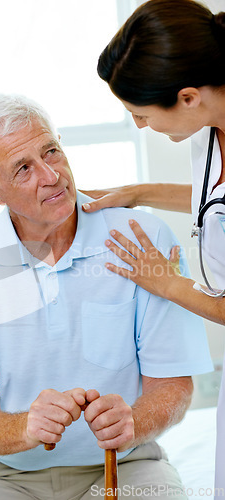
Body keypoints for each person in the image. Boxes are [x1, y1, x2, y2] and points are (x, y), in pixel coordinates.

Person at [0, 93, 213, 500]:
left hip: (126, 465)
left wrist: (133, 419)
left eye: (52, 152)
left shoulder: (141, 239)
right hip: (4, 478)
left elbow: (173, 385)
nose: (51, 176)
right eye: (23, 169)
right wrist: (25, 425)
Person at [79, 0, 225, 496]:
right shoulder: (209, 132)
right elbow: (213, 201)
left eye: (141, 115)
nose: (141, 126)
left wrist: (167, 283)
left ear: (187, 97)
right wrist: (138, 192)